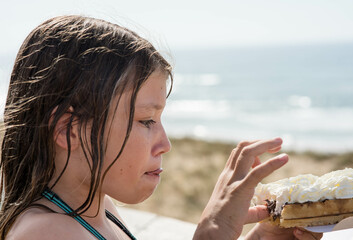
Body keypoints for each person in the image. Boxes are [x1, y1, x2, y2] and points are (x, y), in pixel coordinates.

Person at [0, 15, 323, 240]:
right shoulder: (46, 233)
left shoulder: (97, 209)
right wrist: (211, 233)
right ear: (70, 130)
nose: (165, 143)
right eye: (146, 121)